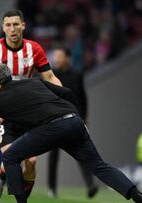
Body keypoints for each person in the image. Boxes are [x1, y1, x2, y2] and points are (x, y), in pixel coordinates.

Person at [0, 63, 142, 203]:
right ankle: (137, 196)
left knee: (11, 156)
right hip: (73, 122)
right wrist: (79, 118)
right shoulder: (34, 82)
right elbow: (67, 92)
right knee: (99, 166)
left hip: (54, 127)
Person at [0, 9, 62, 202]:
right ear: (3, 27)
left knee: (31, 162)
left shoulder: (34, 49)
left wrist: (63, 101)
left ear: (23, 26)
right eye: (8, 25)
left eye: (15, 24)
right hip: (1, 113)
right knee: (14, 156)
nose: (12, 29)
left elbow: (49, 76)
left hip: (27, 111)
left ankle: (1, 175)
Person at [48, 46, 98, 198]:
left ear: (68, 58)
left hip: (73, 119)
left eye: (59, 56)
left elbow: (82, 98)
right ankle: (52, 189)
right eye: (55, 56)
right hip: (55, 120)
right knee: (53, 156)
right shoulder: (51, 74)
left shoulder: (77, 75)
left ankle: (90, 185)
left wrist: (84, 118)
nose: (56, 59)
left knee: (81, 152)